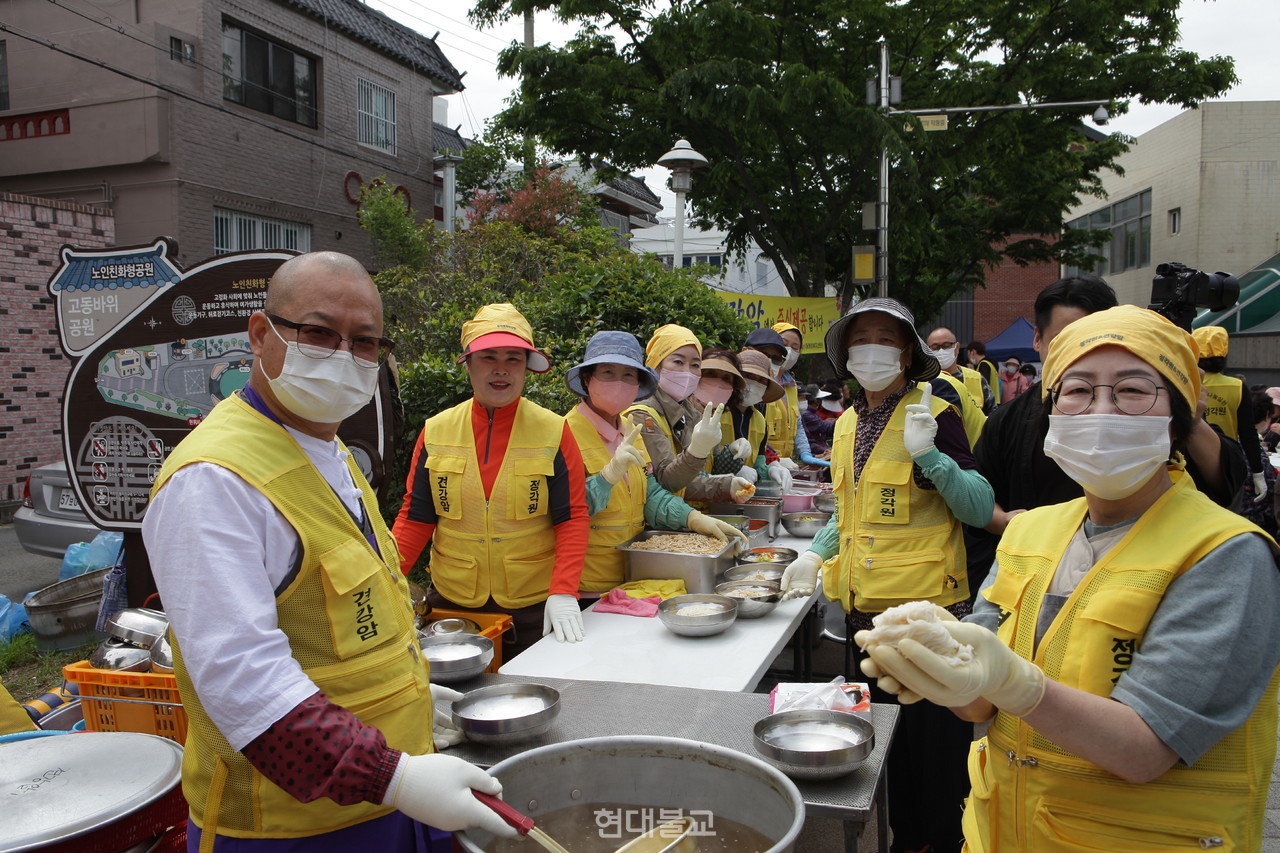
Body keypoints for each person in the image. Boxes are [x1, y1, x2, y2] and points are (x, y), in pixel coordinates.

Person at [859, 305, 1280, 853]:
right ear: (1051, 413)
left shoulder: (1226, 554)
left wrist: (1015, 683)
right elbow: (980, 707)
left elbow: (1145, 749)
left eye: (1132, 390)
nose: (1100, 410)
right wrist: (940, 665)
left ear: (1176, 418)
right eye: (1077, 390)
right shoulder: (1030, 531)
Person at [143, 252, 515, 850]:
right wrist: (394, 776)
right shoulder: (212, 480)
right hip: (292, 827)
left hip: (394, 793)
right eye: (318, 333)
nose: (344, 356)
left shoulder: (330, 451)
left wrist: (410, 692)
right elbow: (245, 685)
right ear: (262, 335)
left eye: (364, 342)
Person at [779, 297, 995, 853]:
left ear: (906, 352)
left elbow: (977, 507)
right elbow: (849, 513)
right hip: (865, 621)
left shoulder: (933, 413)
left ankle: (939, 845)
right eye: (861, 338)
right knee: (887, 759)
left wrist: (933, 458)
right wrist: (815, 554)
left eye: (885, 337)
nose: (871, 348)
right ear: (846, 354)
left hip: (928, 620)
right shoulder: (849, 421)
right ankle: (904, 843)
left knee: (937, 768)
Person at [973, 275, 1243, 553]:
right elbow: (979, 488)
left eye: (1094, 339)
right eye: (1063, 340)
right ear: (1038, 340)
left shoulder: (1155, 410)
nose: (1079, 352)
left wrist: (1187, 415)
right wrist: (1007, 523)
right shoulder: (1007, 420)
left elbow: (1225, 479)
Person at [393, 303, 590, 656]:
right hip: (453, 605)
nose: (501, 370)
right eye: (488, 357)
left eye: (513, 358)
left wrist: (563, 591)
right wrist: (387, 579)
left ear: (527, 367)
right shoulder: (436, 430)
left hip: (533, 608)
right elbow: (416, 516)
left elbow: (572, 516)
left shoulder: (554, 429)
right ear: (467, 363)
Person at [564, 331, 749, 594]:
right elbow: (562, 511)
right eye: (607, 372)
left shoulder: (628, 430)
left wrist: (693, 518)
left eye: (628, 375)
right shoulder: (565, 432)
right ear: (586, 378)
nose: (619, 382)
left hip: (634, 575)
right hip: (587, 583)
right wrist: (605, 480)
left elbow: (651, 495)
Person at [625, 324, 750, 504]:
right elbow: (667, 481)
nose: (688, 372)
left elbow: (694, 478)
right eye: (678, 362)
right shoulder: (642, 415)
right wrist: (698, 452)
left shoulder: (690, 412)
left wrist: (729, 473)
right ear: (656, 366)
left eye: (695, 365)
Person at [1192, 325, 1269, 506]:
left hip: (1191, 464)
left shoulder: (1187, 383)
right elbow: (1248, 434)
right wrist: (1258, 472)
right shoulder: (1237, 386)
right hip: (1227, 466)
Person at [929, 326, 994, 414]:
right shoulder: (922, 382)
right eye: (935, 347)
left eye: (946, 346)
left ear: (957, 347)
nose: (941, 351)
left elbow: (993, 414)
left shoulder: (977, 379)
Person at [800, 384, 834, 462]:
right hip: (816, 454)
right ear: (815, 400)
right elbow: (825, 427)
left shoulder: (812, 413)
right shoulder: (806, 414)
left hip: (821, 451)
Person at [966, 339, 1001, 405]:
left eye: (968, 354)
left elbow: (983, 386)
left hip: (988, 403)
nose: (968, 357)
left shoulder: (983, 365)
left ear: (973, 352)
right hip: (995, 401)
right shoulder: (990, 364)